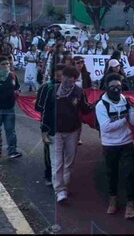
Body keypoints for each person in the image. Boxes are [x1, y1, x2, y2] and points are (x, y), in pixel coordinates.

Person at [41, 65, 90, 202]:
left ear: (75, 79)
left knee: (69, 161)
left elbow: (86, 109)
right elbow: (46, 112)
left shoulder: (79, 92)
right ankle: (59, 190)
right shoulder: (53, 90)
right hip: (55, 132)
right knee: (57, 162)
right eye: (66, 76)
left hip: (72, 131)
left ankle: (65, 186)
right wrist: (44, 131)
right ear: (62, 77)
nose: (69, 80)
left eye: (72, 78)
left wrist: (98, 103)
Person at [96, 73, 134, 219]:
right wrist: (124, 119)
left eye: (119, 87)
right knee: (111, 173)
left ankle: (130, 204)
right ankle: (113, 200)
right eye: (112, 87)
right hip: (110, 144)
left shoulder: (126, 102)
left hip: (126, 142)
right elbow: (106, 127)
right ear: (107, 88)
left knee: (130, 173)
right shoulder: (101, 105)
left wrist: (133, 111)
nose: (116, 90)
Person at [35, 64, 63, 186]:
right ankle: (48, 174)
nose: (60, 76)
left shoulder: (68, 87)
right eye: (58, 74)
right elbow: (38, 106)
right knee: (49, 151)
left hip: (64, 126)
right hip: (49, 125)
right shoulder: (46, 87)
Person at [0, 56, 21, 159]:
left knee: (10, 131)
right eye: (3, 64)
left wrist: (17, 91)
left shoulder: (13, 75)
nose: (6, 66)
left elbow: (17, 87)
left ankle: (12, 151)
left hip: (10, 108)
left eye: (7, 63)